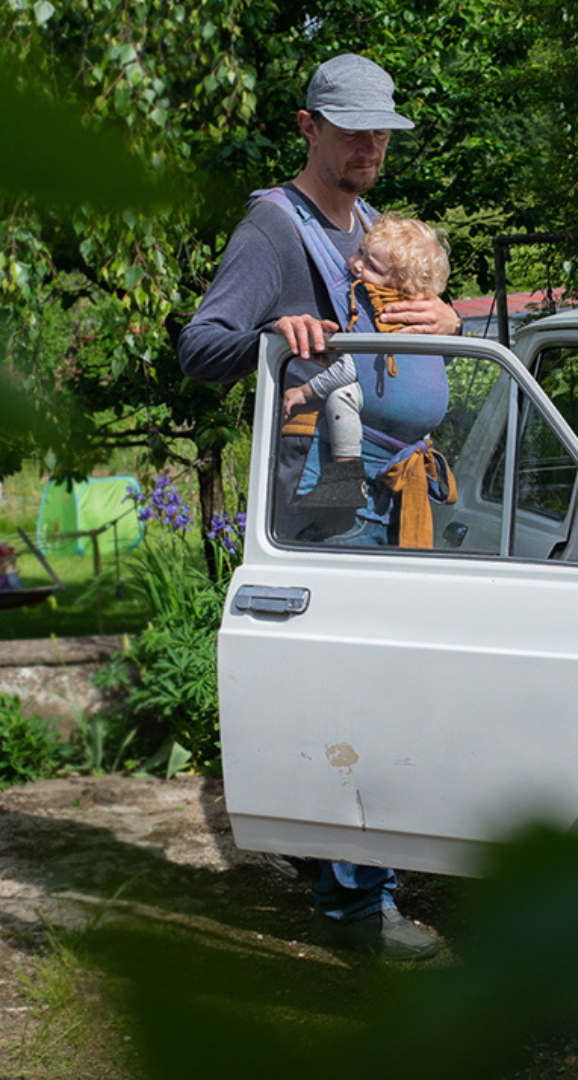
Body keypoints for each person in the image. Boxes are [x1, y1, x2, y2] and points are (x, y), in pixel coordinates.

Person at [178, 53, 460, 961]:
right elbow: (200, 346)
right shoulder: (274, 228)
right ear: (309, 126)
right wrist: (271, 336)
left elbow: (422, 340)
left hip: (396, 493)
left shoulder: (377, 227)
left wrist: (452, 323)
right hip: (328, 497)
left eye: (383, 129)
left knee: (368, 691)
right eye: (353, 129)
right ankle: (358, 915)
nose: (373, 144)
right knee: (363, 698)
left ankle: (334, 865)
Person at [282, 213, 452, 509]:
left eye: (371, 265)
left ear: (403, 286)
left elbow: (352, 369)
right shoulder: (426, 317)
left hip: (386, 409)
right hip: (424, 423)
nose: (355, 263)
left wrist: (303, 392)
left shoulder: (378, 309)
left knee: (341, 395)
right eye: (360, 251)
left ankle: (345, 479)